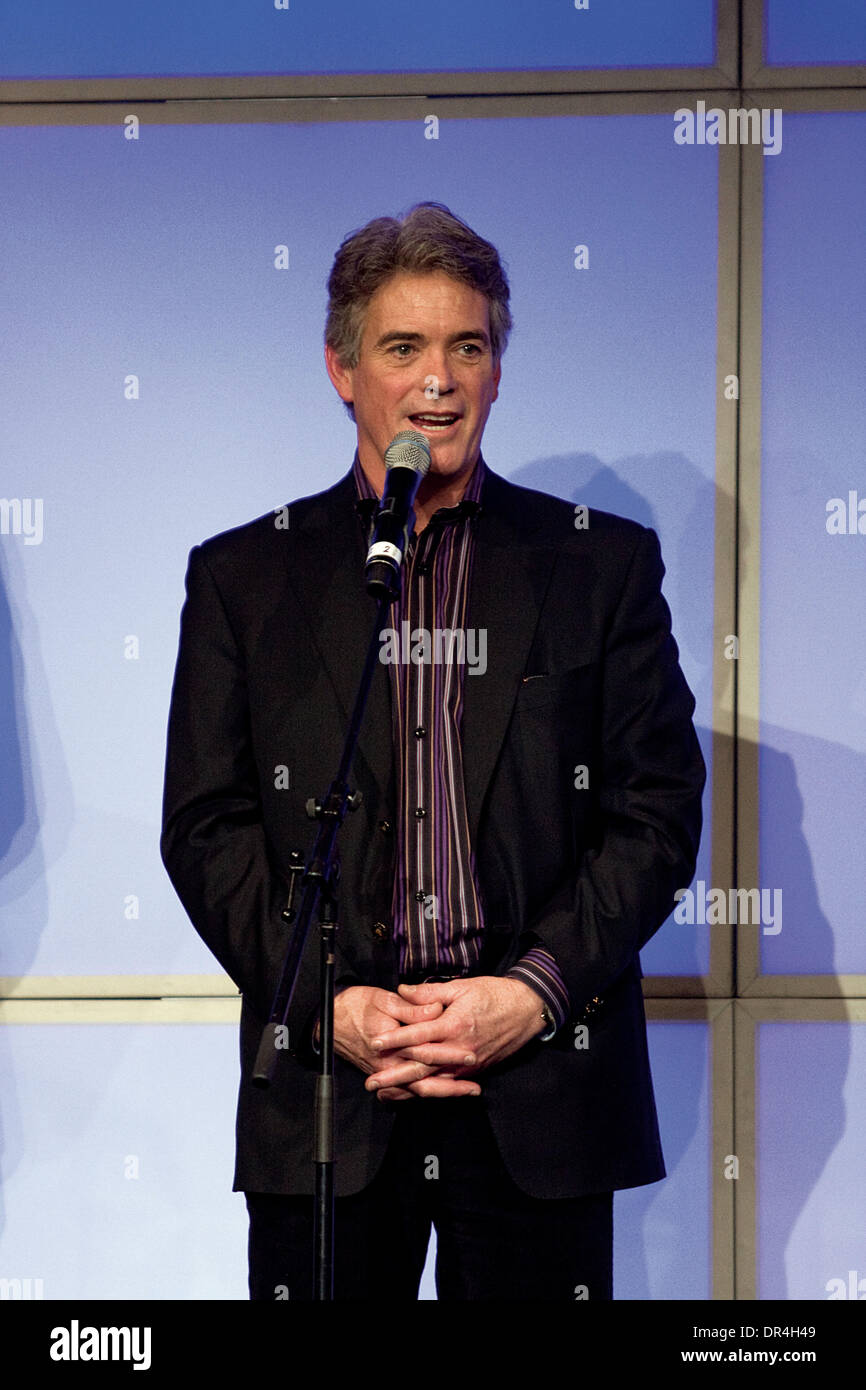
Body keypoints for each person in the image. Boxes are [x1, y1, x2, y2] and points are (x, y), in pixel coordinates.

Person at [160, 201, 705, 1301]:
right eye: (401, 347)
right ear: (340, 368)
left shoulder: (596, 567)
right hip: (329, 1097)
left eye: (468, 346)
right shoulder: (243, 578)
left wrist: (529, 993)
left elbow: (652, 813)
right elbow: (208, 824)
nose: (437, 380)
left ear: (498, 370)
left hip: (537, 1085)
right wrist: (327, 1005)